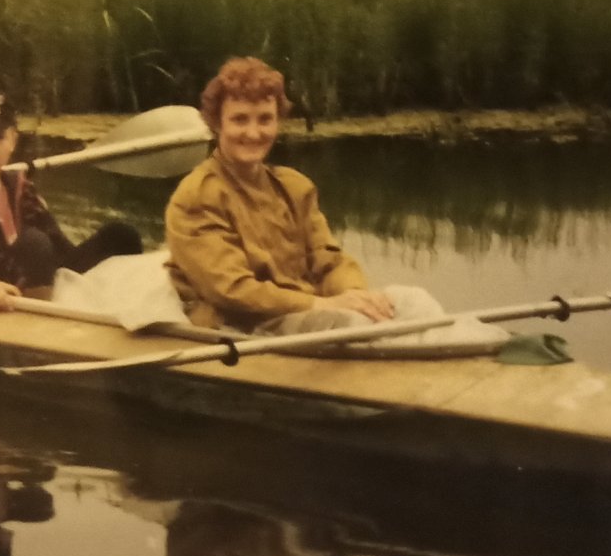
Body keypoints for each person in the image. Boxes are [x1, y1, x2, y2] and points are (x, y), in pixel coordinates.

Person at [165, 57, 485, 347]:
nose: (253, 132)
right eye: (240, 120)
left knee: (414, 301)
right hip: (247, 322)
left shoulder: (293, 186)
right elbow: (232, 291)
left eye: (265, 119)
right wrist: (323, 305)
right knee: (353, 323)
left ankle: (457, 359)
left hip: (303, 307)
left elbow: (328, 259)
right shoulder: (197, 197)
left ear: (278, 122)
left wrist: (353, 293)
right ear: (217, 124)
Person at [0, 88, 142, 311]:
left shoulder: (22, 187)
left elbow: (61, 249)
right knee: (34, 243)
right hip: (6, 293)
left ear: (12, 140)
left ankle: (133, 305)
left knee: (121, 235)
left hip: (43, 277)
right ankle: (48, 321)